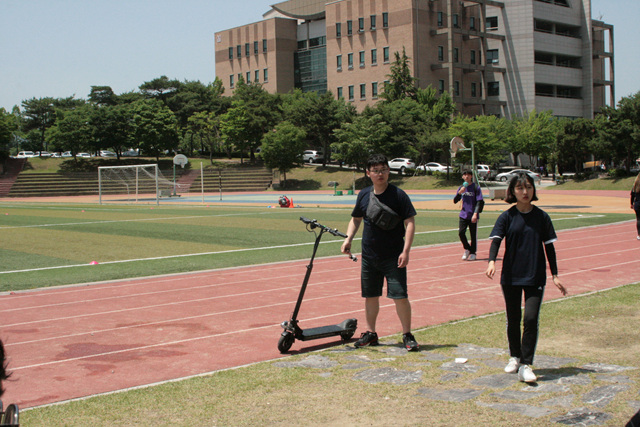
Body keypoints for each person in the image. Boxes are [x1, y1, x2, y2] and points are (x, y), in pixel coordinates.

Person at [485, 174, 567, 383]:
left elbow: (549, 247)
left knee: (530, 319)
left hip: (534, 276)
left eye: (528, 187)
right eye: (520, 188)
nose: (525, 192)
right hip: (511, 276)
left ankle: (526, 364)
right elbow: (496, 240)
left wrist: (555, 275)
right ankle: (515, 356)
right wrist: (492, 261)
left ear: (533, 191)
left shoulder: (541, 217)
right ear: (512, 192)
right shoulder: (507, 216)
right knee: (513, 319)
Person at [341, 153, 419, 351]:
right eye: (375, 170)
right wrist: (348, 238)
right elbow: (356, 218)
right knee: (370, 295)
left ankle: (407, 334)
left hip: (393, 256)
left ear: (388, 171)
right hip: (369, 256)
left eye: (383, 169)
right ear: (368, 173)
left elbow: (409, 222)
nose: (380, 174)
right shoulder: (364, 194)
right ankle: (371, 333)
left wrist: (406, 250)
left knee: (400, 296)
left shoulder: (398, 195)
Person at [453, 170, 484, 261]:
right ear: (462, 177)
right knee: (461, 233)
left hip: (472, 214)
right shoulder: (461, 187)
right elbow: (455, 201)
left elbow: (479, 201)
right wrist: (460, 193)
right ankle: (468, 249)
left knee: (473, 235)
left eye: (468, 175)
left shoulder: (475, 187)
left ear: (471, 176)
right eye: (464, 175)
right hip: (463, 214)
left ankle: (473, 253)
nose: (466, 176)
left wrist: (475, 214)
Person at [630, 172, 640, 240]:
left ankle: (639, 235)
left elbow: (632, 195)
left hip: (637, 204)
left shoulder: (635, 186)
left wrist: (631, 204)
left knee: (638, 219)